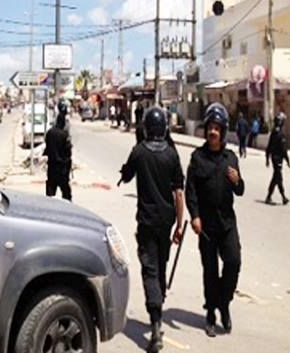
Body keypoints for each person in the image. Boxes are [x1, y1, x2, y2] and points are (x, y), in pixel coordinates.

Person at [118, 106, 185, 353]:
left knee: (150, 271)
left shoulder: (139, 152)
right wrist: (179, 224)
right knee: (161, 267)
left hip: (146, 222)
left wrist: (127, 166)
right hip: (166, 222)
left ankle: (156, 322)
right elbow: (179, 193)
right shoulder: (172, 154)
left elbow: (126, 176)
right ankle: (158, 307)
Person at [185, 102, 244, 338]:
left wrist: (237, 180)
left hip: (227, 224)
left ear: (223, 131)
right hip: (206, 226)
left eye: (217, 129)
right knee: (210, 271)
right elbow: (190, 191)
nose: (213, 132)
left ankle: (224, 302)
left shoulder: (231, 159)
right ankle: (211, 312)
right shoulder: (197, 158)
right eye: (210, 128)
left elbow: (240, 191)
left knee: (234, 262)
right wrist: (195, 217)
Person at [44, 100, 72, 201]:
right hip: (62, 169)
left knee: (50, 194)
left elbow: (46, 148)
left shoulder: (49, 133)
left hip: (51, 167)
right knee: (66, 194)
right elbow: (68, 153)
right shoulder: (64, 135)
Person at [265, 112, 290, 205]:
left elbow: (269, 146)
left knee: (277, 177)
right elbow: (283, 149)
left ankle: (281, 197)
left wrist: (267, 158)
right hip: (278, 159)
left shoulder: (274, 132)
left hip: (274, 158)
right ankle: (276, 196)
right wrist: (288, 161)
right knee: (278, 177)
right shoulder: (280, 134)